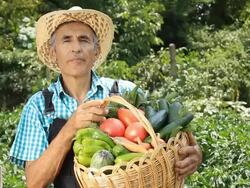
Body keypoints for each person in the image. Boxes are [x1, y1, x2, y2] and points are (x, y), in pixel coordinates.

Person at [10, 6, 202, 188]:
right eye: (66, 40)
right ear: (53, 53)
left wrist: (193, 155)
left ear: (96, 51)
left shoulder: (125, 93)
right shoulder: (39, 106)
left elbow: (164, 141)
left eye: (84, 39)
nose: (76, 48)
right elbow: (34, 182)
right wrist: (70, 129)